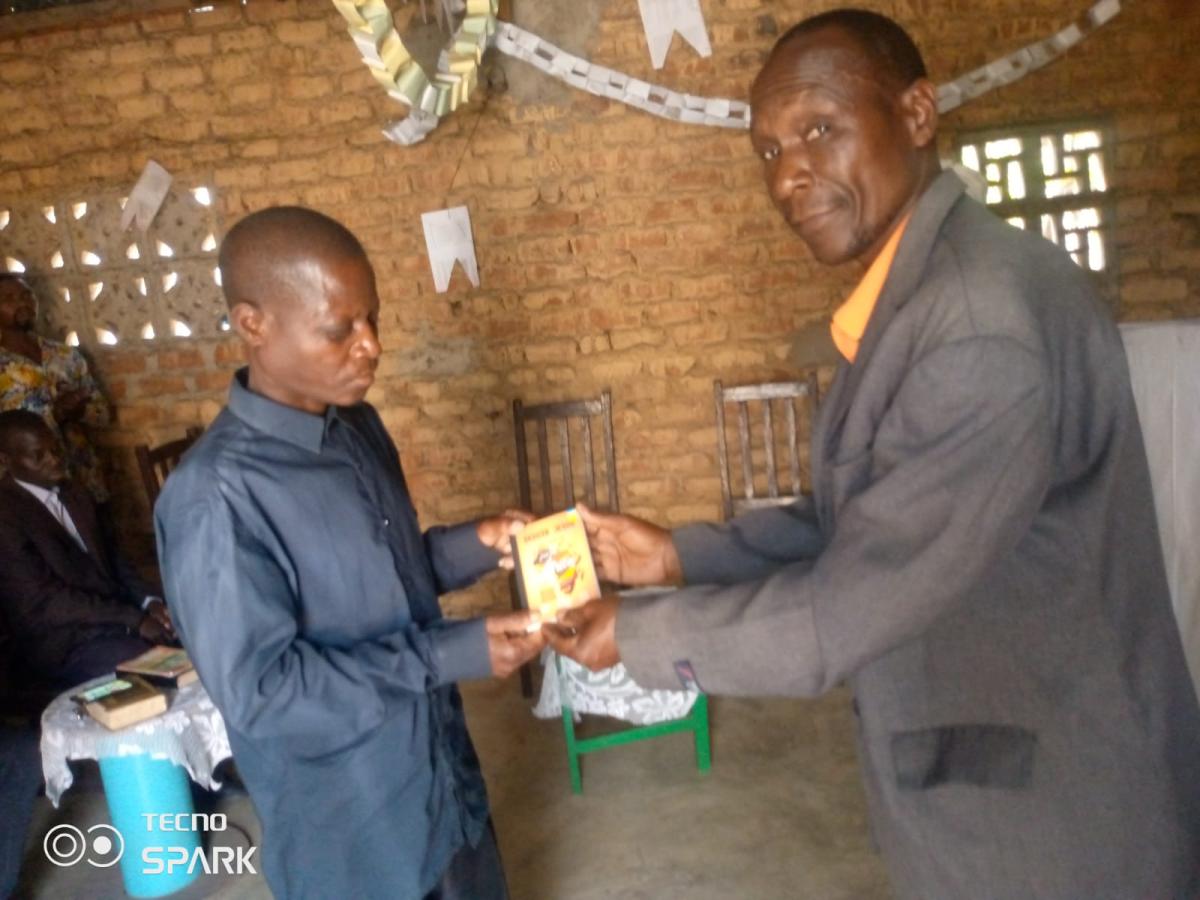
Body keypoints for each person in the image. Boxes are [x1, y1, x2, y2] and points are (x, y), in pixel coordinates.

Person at [547, 9, 1200, 899]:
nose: (789, 174)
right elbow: (863, 518)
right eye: (769, 149)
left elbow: (838, 618)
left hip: (1051, 823)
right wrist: (674, 556)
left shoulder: (974, 326)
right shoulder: (923, 292)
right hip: (997, 773)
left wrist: (635, 633)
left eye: (820, 129)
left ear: (917, 114)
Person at [154, 206, 544, 900]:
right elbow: (265, 693)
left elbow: (383, 583)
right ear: (253, 325)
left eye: (374, 320)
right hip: (357, 831)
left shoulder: (357, 427)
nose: (371, 346)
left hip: (442, 783)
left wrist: (477, 543)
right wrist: (451, 653)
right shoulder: (215, 497)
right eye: (340, 329)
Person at [0, 410, 173, 688]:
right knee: (154, 667)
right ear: (6, 461)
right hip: (66, 638)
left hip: (116, 616)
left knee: (192, 632)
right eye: (38, 455)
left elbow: (115, 557)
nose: (54, 459)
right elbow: (48, 601)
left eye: (55, 449)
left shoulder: (75, 491)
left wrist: (149, 603)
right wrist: (134, 619)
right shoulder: (7, 516)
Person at [0, 273, 111, 502]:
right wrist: (55, 415)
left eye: (26, 296)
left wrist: (80, 411)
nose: (22, 303)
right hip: (31, 488)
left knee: (96, 524)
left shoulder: (65, 355)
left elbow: (104, 416)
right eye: (9, 299)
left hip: (83, 476)